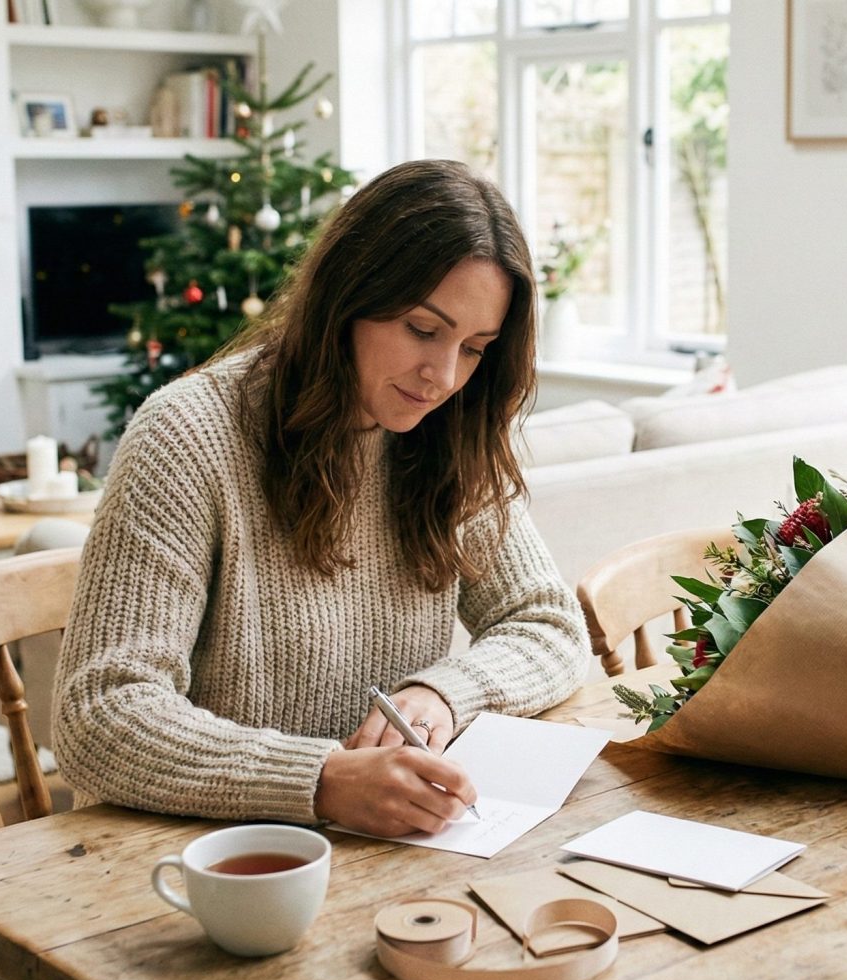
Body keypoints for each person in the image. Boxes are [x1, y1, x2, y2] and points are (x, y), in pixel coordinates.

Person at [53, 160, 589, 838]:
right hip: (208, 857)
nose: (443, 376)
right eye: (423, 330)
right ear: (349, 295)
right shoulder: (188, 435)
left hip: (380, 850)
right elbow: (100, 715)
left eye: (475, 348)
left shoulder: (448, 435)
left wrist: (442, 694)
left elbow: (549, 624)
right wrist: (320, 779)